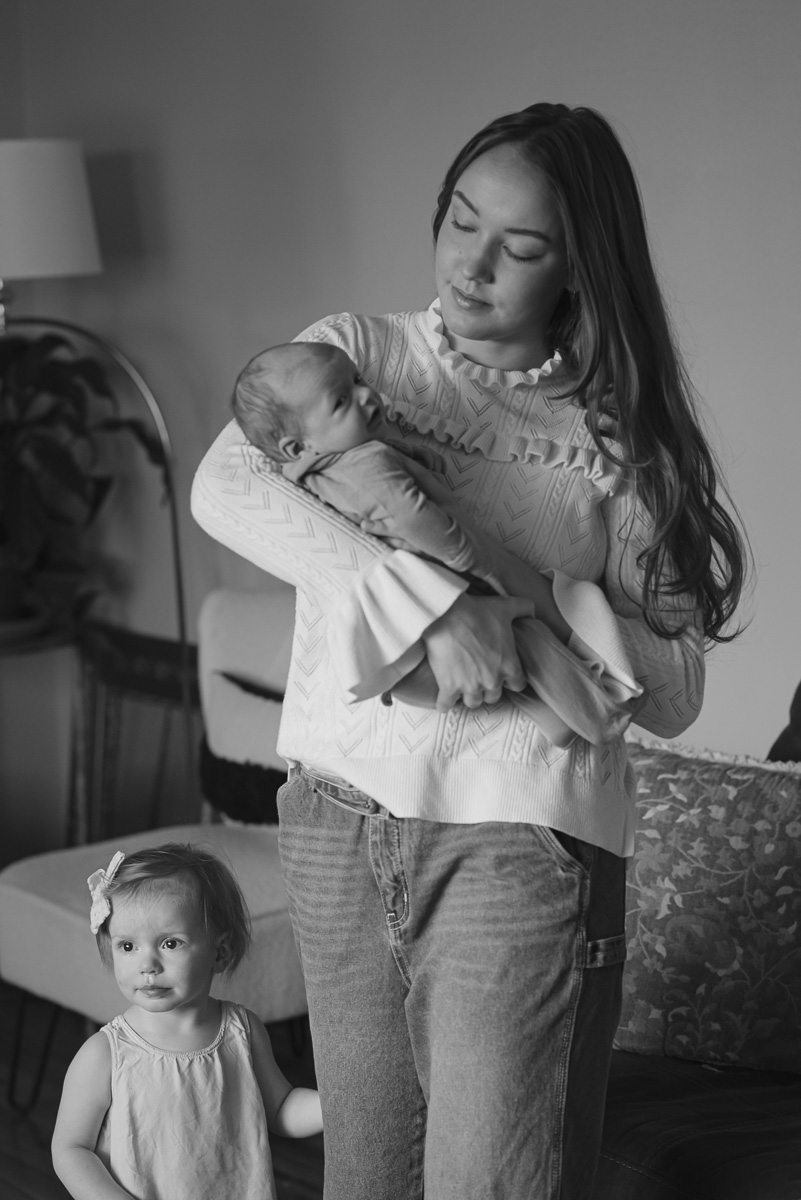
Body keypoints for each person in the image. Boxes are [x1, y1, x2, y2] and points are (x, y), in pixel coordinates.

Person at [191, 102, 747, 1200]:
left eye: (520, 246)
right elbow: (225, 488)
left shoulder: (619, 438)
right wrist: (437, 609)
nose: (472, 265)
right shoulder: (355, 354)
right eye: (460, 221)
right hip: (338, 818)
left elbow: (676, 688)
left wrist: (534, 600)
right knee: (367, 1182)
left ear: (579, 265)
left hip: (520, 846)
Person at [230, 338, 641, 748]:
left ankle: (555, 717)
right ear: (298, 446)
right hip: (437, 592)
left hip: (395, 641)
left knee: (516, 656)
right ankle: (604, 717)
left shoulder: (322, 471)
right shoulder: (362, 464)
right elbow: (407, 513)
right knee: (530, 641)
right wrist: (462, 551)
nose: (365, 394)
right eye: (341, 401)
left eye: (357, 380)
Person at [51, 843, 322, 1200]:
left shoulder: (242, 1032)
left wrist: (333, 1104)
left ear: (220, 952)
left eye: (170, 943)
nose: (148, 965)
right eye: (128, 946)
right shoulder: (105, 1054)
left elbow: (281, 1108)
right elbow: (71, 1149)